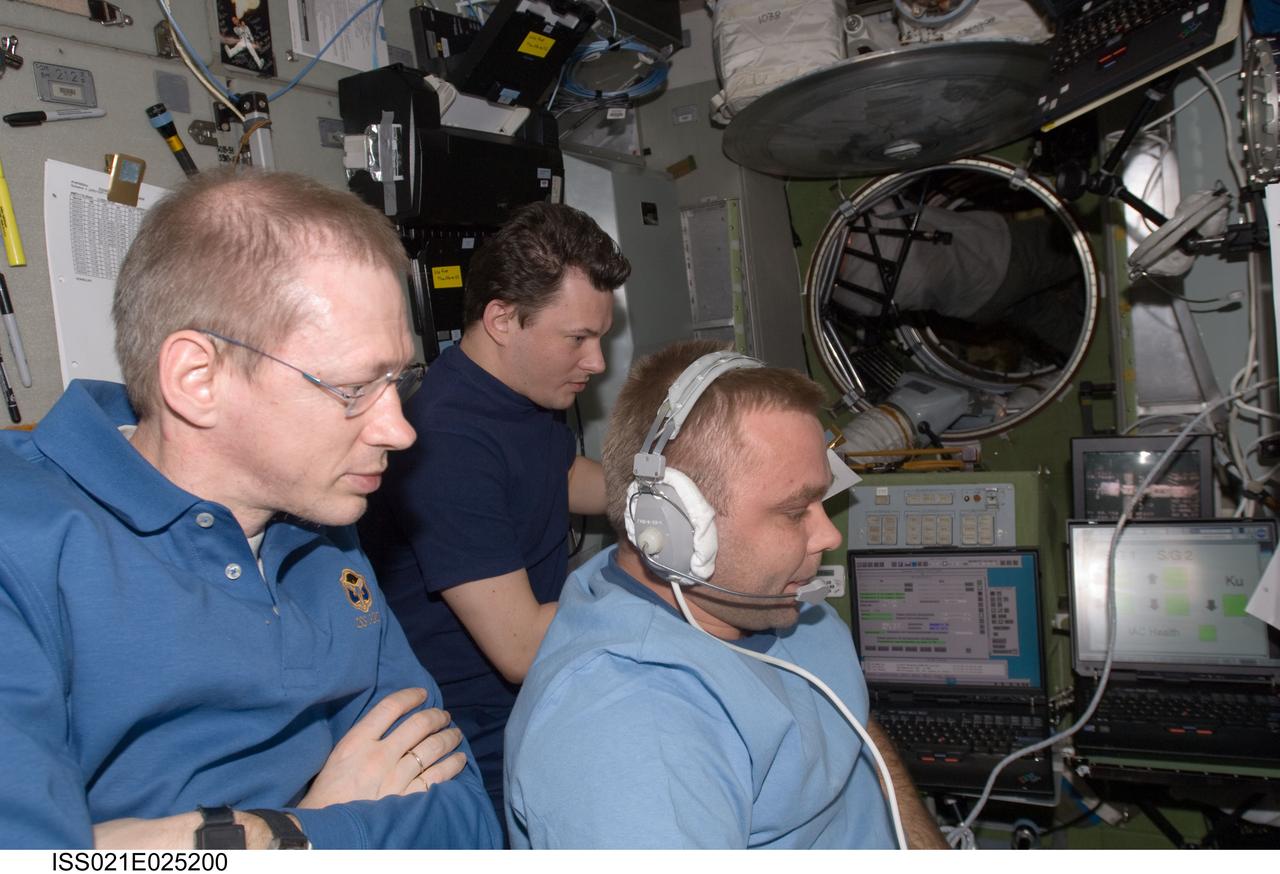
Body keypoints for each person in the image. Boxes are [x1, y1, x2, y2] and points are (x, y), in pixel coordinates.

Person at [0, 168, 501, 849]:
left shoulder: (326, 527)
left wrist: (274, 835)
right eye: (355, 387)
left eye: (400, 380)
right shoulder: (22, 545)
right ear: (198, 379)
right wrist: (312, 829)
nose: (400, 429)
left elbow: (465, 824)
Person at [503, 339, 949, 849]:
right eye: (794, 510)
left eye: (823, 499)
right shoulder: (629, 728)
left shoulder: (780, 603)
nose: (829, 537)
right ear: (672, 527)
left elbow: (857, 737)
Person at [358, 202, 631, 824]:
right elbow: (517, 645)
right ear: (503, 320)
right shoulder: (446, 438)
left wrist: (664, 495)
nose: (597, 363)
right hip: (466, 735)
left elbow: (557, 477)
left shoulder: (524, 393)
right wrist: (667, 575)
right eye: (578, 339)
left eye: (600, 338)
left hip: (534, 696)